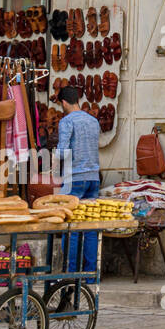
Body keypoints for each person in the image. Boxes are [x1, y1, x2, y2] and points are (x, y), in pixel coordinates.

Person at [55, 86, 101, 278]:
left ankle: (71, 273)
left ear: (64, 103)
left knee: (71, 226)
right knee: (90, 226)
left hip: (75, 179)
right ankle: (90, 273)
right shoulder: (93, 121)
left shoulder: (66, 122)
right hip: (93, 177)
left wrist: (56, 174)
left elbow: (63, 151)